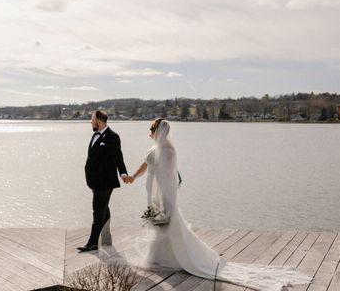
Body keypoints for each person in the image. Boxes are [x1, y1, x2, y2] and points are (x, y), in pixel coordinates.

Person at [127, 118, 313, 291]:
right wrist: (134, 177)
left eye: (151, 131)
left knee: (166, 223)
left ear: (157, 132)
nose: (149, 134)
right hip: (152, 190)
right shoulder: (156, 150)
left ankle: (165, 257)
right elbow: (146, 166)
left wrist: (165, 199)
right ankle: (160, 256)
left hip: (162, 192)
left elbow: (167, 177)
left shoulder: (167, 151)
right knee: (161, 225)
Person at [78, 110, 132, 252]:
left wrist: (123, 173)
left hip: (106, 181)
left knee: (97, 210)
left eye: (92, 118)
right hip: (95, 181)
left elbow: (118, 156)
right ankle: (107, 239)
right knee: (104, 209)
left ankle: (93, 242)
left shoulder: (113, 137)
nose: (90, 121)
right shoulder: (94, 135)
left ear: (99, 120)